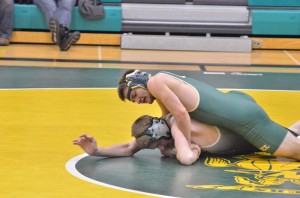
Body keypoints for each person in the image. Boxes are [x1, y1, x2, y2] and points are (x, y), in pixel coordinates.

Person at [117, 70, 300, 161]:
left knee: (296, 151)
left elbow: (181, 115)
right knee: (290, 135)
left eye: (134, 95)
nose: (137, 102)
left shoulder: (156, 82)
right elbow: (169, 118)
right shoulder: (163, 86)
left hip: (243, 120)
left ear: (138, 82)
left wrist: (187, 145)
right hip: (238, 104)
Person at [73, 113, 262, 165]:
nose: (159, 149)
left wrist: (190, 151)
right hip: (236, 146)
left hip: (244, 138)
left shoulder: (179, 126)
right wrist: (96, 151)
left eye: (160, 144)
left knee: (288, 138)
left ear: (165, 133)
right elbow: (127, 149)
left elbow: (186, 157)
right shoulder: (157, 132)